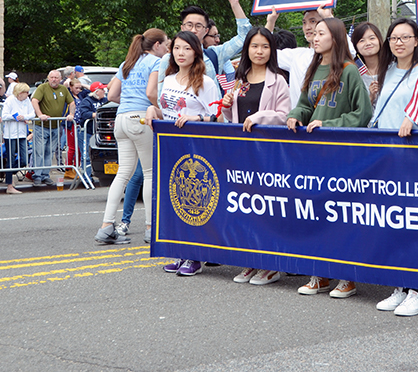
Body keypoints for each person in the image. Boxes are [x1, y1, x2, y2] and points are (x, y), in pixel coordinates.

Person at [287, 17, 372, 298]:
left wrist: (330, 125)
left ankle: (347, 276)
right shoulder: (313, 69)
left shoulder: (349, 71)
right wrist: (294, 116)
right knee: (317, 215)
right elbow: (304, 105)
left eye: (320, 32)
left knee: (342, 216)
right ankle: (321, 274)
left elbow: (363, 114)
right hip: (314, 155)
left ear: (335, 38)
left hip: (342, 155)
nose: (313, 35)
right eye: (313, 32)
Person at [370, 18, 418, 316]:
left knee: (413, 222)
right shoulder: (388, 71)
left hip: (414, 156)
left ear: (417, 41)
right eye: (394, 38)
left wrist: (415, 117)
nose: (399, 42)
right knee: (392, 220)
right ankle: (399, 284)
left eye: (406, 37)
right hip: (387, 155)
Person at [223, 27, 291, 286]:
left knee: (267, 209)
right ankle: (252, 260)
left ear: (271, 50)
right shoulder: (240, 80)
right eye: (254, 46)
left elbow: (284, 115)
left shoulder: (278, 80)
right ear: (247, 49)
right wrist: (228, 107)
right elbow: (232, 119)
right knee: (247, 208)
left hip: (267, 154)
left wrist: (259, 117)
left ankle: (271, 265)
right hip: (243, 154)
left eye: (265, 46)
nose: (259, 51)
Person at [149, 31, 218, 274]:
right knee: (175, 201)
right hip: (170, 148)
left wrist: (196, 117)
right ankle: (180, 252)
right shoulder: (167, 79)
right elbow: (163, 110)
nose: (181, 53)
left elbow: (218, 117)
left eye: (187, 49)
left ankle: (195, 256)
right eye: (177, 48)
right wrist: (151, 111)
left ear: (197, 52)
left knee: (195, 203)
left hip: (196, 151)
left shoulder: (205, 83)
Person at [96, 29, 170, 246]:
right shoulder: (156, 62)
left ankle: (106, 226)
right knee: (149, 174)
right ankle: (150, 227)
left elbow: (111, 95)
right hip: (141, 118)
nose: (167, 49)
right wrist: (159, 109)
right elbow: (151, 93)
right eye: (166, 44)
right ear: (156, 45)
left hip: (121, 119)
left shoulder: (126, 63)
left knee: (122, 174)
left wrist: (128, 105)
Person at [158, 0, 251, 92]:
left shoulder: (215, 54)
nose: (193, 30)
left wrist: (235, 4)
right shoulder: (169, 59)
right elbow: (161, 96)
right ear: (182, 28)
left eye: (198, 26)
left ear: (206, 30)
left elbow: (245, 36)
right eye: (189, 25)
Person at [31, 70, 76, 186]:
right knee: (39, 151)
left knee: (49, 152)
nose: (54, 79)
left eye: (56, 77)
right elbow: (34, 100)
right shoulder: (42, 88)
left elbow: (71, 102)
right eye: (52, 77)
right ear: (48, 78)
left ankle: (45, 175)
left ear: (60, 79)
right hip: (41, 126)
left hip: (55, 126)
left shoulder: (63, 89)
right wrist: (40, 114)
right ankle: (37, 175)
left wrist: (71, 114)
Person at [2, 82, 34, 193]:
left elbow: (32, 114)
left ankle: (8, 174)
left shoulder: (26, 101)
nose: (28, 94)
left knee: (24, 159)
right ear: (20, 93)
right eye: (26, 92)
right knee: (10, 159)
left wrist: (24, 117)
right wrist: (16, 117)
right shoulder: (10, 100)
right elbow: (4, 115)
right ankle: (9, 185)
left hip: (21, 134)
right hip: (10, 134)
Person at [350, 21, 383, 97]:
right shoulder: (355, 74)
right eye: (362, 40)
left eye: (372, 38)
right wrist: (371, 97)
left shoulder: (392, 67)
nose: (368, 43)